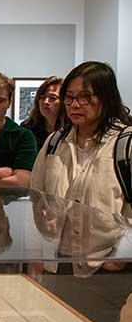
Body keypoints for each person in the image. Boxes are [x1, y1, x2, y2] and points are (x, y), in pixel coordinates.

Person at [31, 61, 132, 223]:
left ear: (106, 98)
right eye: (69, 97)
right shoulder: (55, 142)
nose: (74, 105)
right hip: (60, 245)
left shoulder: (125, 145)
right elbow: (37, 195)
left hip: (112, 247)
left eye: (85, 97)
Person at [21, 76, 64, 150]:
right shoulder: (28, 128)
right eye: (42, 97)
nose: (45, 102)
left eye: (53, 98)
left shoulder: (70, 130)